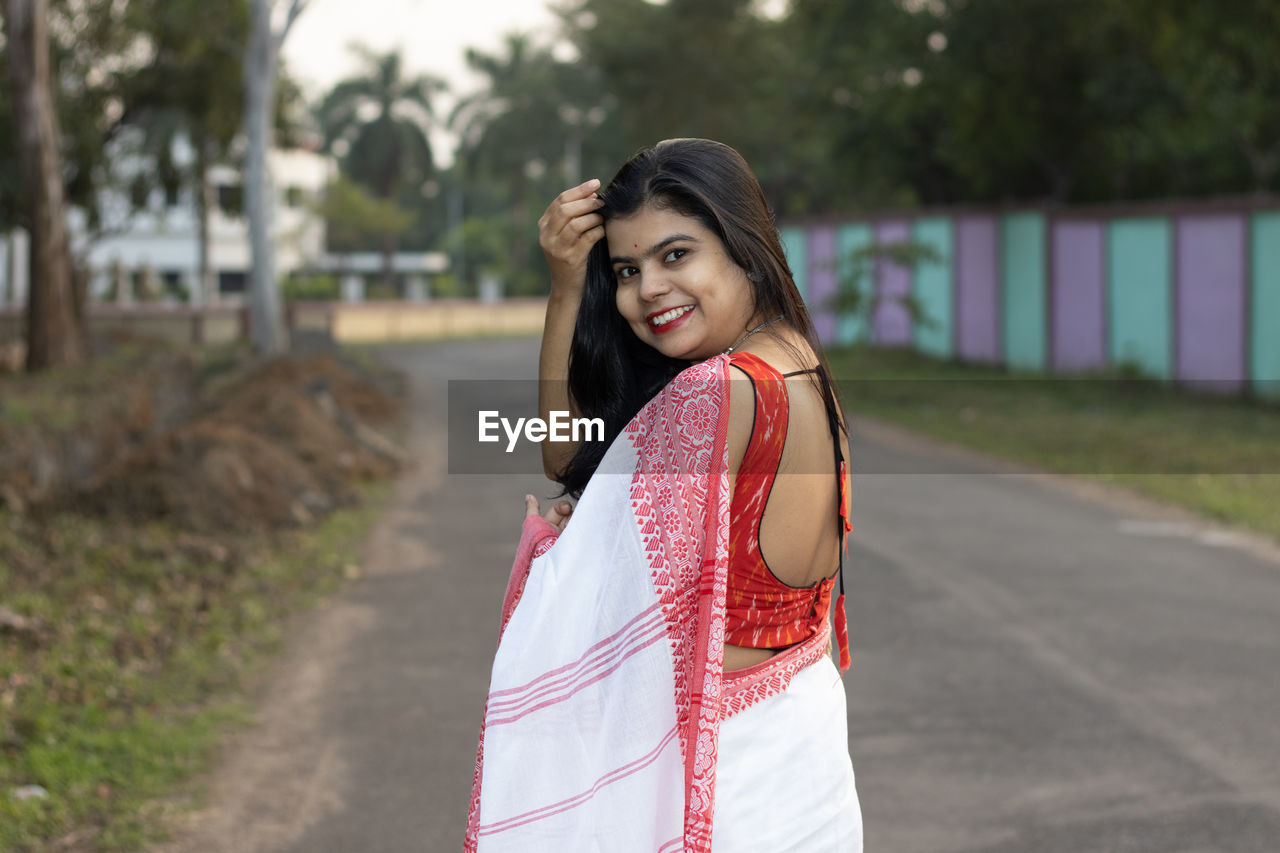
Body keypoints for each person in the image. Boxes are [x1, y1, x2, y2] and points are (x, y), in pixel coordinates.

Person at [465, 138, 861, 852]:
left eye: (676, 256)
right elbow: (580, 459)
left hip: (720, 783)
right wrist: (567, 286)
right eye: (625, 269)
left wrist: (559, 546)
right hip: (803, 758)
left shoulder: (710, 396)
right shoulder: (798, 360)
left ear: (742, 247)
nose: (647, 288)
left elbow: (567, 473)